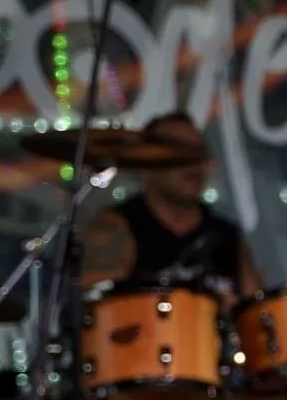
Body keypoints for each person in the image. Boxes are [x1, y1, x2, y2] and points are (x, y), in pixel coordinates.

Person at [79, 110, 260, 297]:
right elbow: (95, 303)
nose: (193, 162)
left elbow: (257, 312)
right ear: (147, 167)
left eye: (198, 151)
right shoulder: (116, 226)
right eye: (178, 151)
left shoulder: (226, 235)